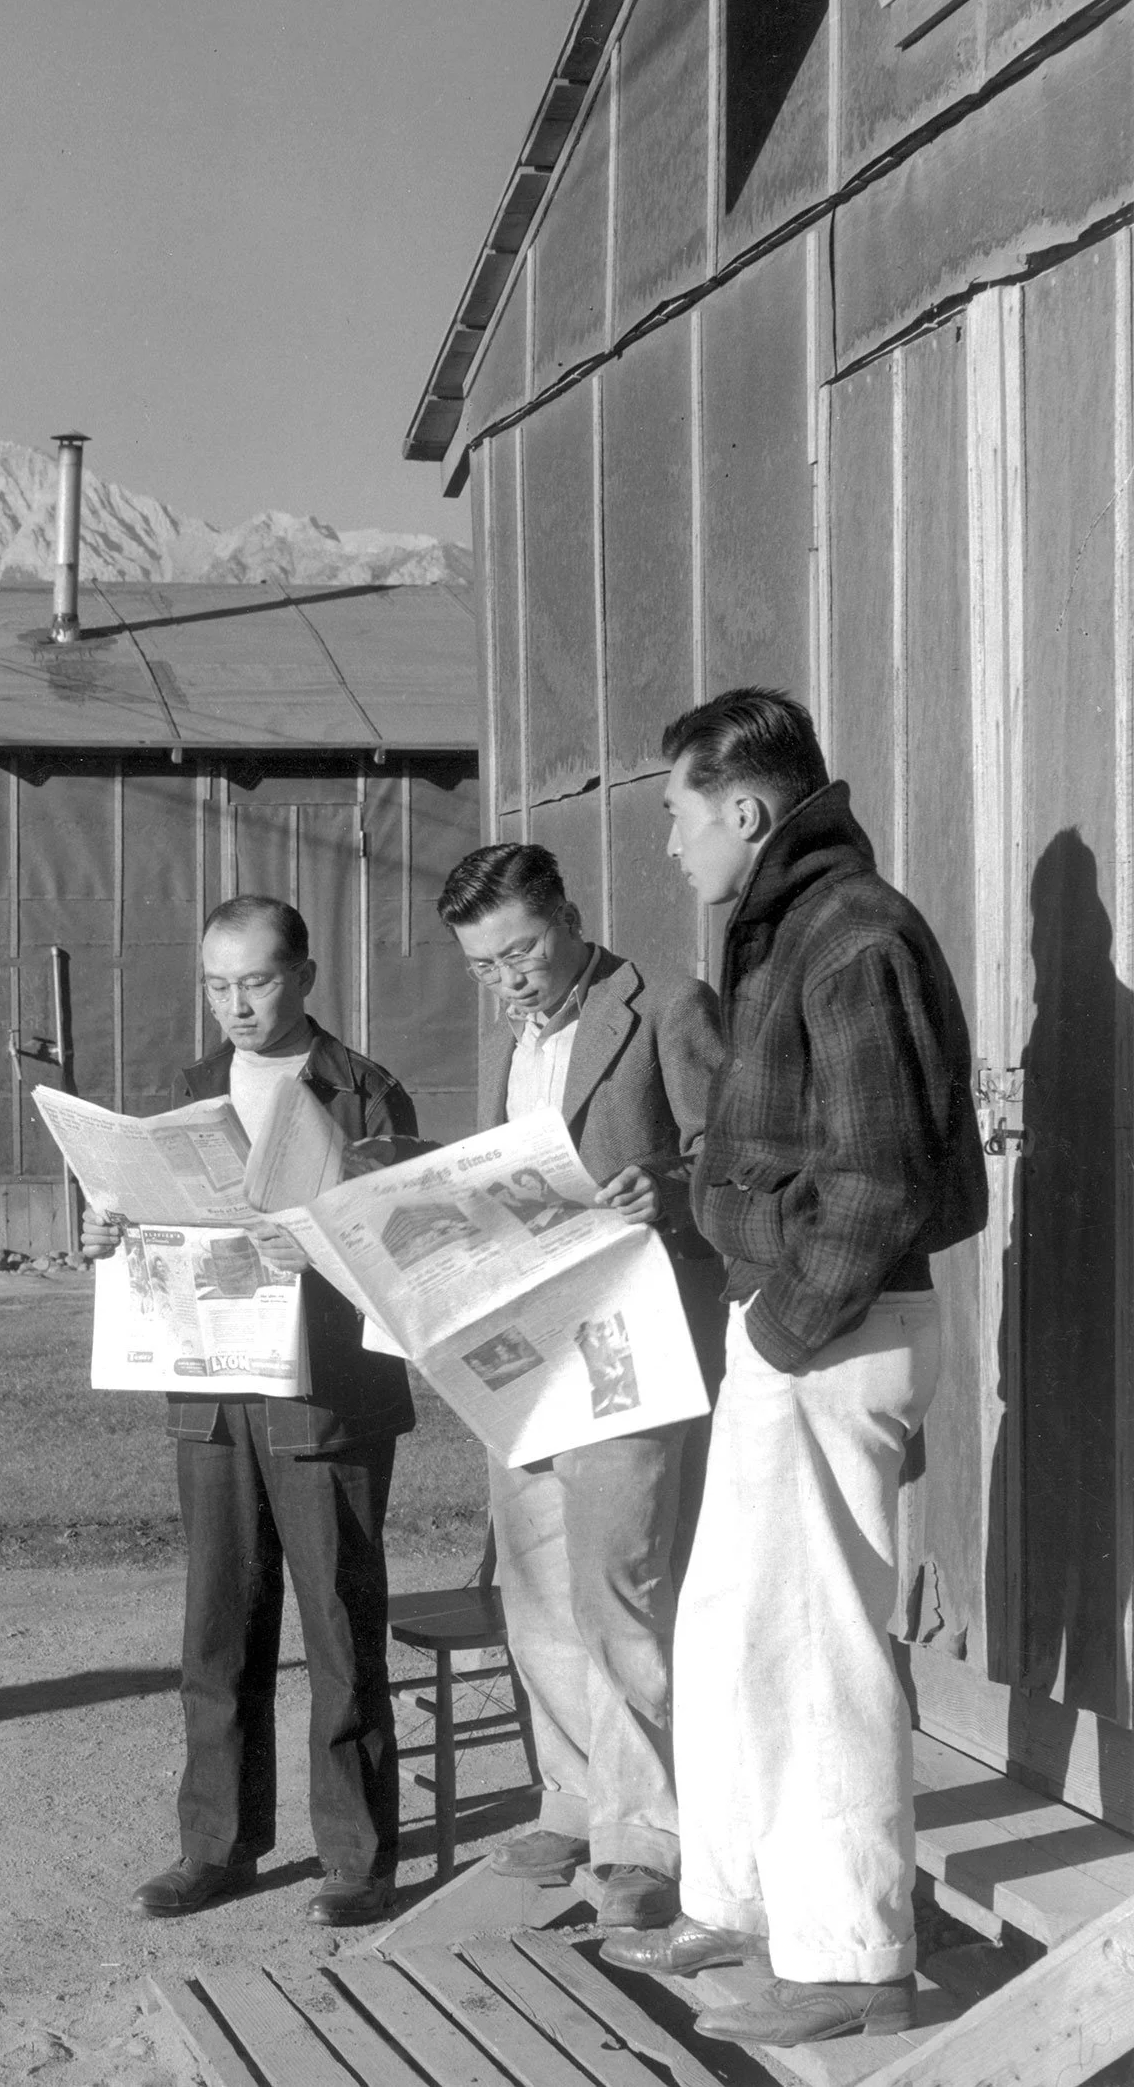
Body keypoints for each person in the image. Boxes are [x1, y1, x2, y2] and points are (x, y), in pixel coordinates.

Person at [602, 688, 985, 2048]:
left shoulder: (852, 934)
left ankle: (848, 1951)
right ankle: (740, 1896)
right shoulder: (798, 929)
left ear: (747, 809)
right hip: (802, 1323)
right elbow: (795, 1149)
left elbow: (876, 1182)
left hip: (832, 1325)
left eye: (676, 813)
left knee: (818, 1644)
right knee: (728, 1632)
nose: (668, 843)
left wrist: (778, 1323)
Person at [83, 895, 418, 1929]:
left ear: (306, 976)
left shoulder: (364, 1094)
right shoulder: (184, 1094)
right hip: (212, 1391)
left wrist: (320, 1246)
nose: (235, 1004)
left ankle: (356, 1859)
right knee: (217, 1630)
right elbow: (154, 1228)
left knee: (335, 1624)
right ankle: (215, 1848)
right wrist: (108, 1233)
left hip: (326, 1397)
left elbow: (408, 1250)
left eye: (257, 981)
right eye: (216, 984)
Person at [439, 843, 723, 1934]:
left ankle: (645, 1836)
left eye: (520, 952)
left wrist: (669, 1188)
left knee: (621, 1593)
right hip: (524, 1348)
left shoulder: (664, 1008)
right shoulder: (509, 1036)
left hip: (631, 1347)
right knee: (536, 1586)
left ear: (568, 914)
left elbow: (735, 1158)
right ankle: (570, 1796)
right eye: (481, 966)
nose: (506, 980)